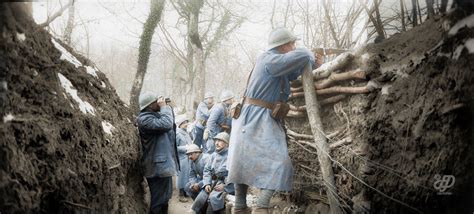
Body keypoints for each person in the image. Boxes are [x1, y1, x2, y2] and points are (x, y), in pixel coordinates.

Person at [227, 27, 320, 214]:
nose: (294, 47)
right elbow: (301, 56)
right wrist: (309, 53)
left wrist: (313, 63)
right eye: (292, 44)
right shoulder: (270, 59)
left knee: (242, 162)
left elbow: (293, 72)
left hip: (252, 117)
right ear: (283, 46)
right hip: (257, 117)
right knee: (279, 161)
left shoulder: (274, 61)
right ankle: (260, 207)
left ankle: (240, 207)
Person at [137, 91, 179, 214]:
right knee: (158, 202)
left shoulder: (155, 116)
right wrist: (164, 107)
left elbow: (171, 123)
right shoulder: (144, 119)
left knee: (165, 200)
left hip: (162, 167)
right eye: (157, 102)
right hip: (157, 168)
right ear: (150, 105)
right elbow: (167, 124)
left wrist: (166, 107)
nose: (159, 103)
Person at [190, 132, 234, 214]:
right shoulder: (213, 155)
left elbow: (235, 174)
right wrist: (207, 183)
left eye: (220, 141)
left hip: (226, 184)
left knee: (214, 200)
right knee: (202, 195)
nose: (217, 143)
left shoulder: (231, 156)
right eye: (216, 140)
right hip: (213, 182)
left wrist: (225, 186)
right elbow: (207, 170)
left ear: (227, 143)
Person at [175, 115, 193, 203]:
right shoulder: (178, 134)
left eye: (187, 122)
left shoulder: (186, 133)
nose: (186, 124)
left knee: (188, 175)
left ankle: (186, 192)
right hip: (182, 158)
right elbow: (175, 148)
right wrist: (186, 148)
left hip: (188, 157)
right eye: (184, 123)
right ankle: (181, 194)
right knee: (182, 176)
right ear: (180, 124)